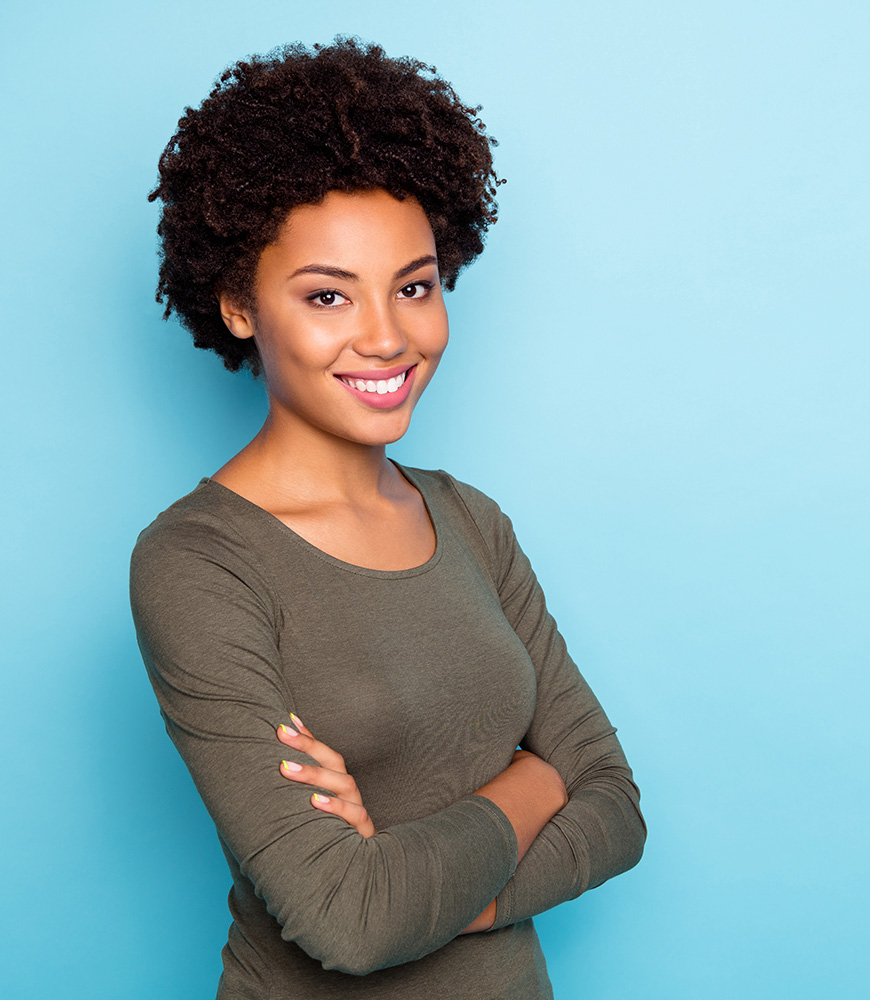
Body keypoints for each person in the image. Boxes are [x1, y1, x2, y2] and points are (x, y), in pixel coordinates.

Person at [129, 39, 646, 999]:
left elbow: (616, 808)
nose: (387, 336)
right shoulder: (198, 563)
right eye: (328, 294)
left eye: (414, 285)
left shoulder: (470, 521)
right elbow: (350, 919)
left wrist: (445, 891)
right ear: (240, 303)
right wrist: (535, 783)